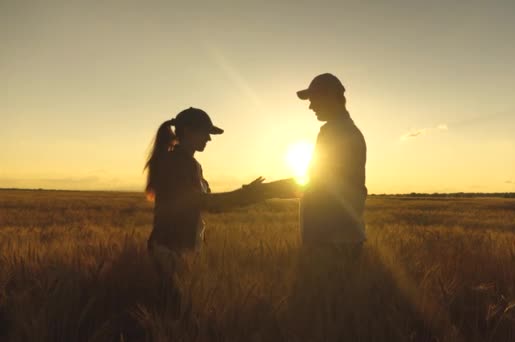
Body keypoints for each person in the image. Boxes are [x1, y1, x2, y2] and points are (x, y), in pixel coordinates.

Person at [144, 107, 269, 295]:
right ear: (187, 131)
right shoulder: (177, 163)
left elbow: (210, 204)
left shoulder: (191, 165)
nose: (209, 139)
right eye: (205, 133)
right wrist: (249, 195)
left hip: (180, 248)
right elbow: (203, 202)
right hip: (170, 250)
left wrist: (246, 192)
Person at [296, 73, 367, 251]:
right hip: (335, 239)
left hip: (332, 244)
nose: (310, 106)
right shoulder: (339, 131)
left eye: (313, 99)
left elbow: (321, 183)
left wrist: (263, 191)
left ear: (329, 97)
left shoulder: (339, 134)